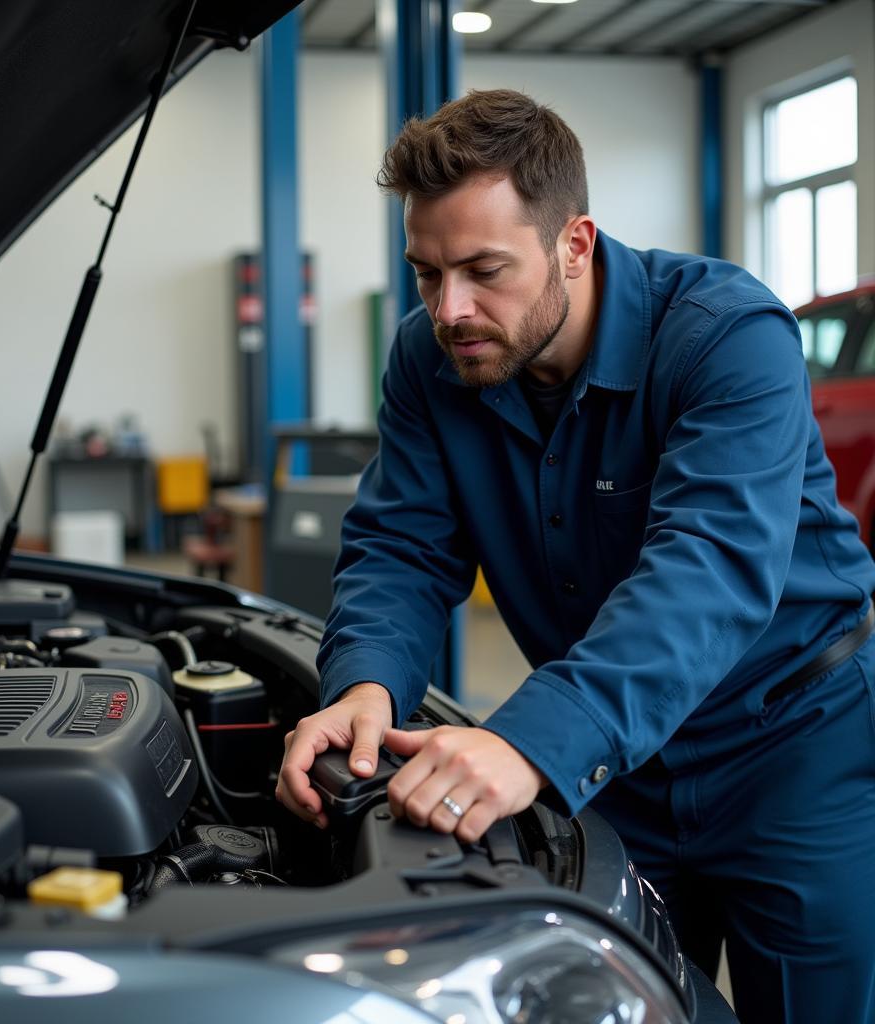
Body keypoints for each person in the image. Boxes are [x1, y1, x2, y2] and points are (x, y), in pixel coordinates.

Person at [275, 89, 875, 1023]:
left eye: (483, 269)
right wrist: (364, 688)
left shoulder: (728, 337)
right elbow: (402, 547)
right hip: (617, 768)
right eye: (426, 273)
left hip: (789, 748)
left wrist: (527, 742)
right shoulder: (429, 361)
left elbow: (707, 571)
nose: (450, 309)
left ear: (576, 244)